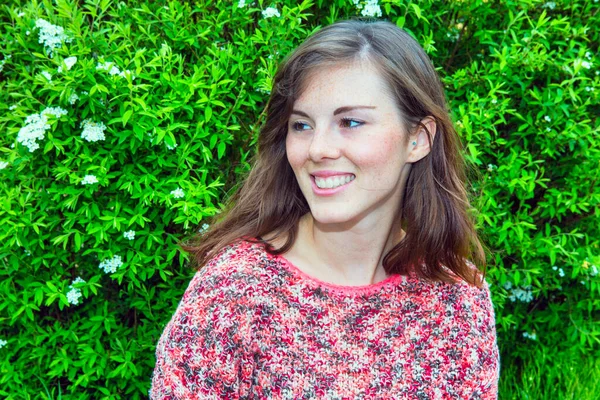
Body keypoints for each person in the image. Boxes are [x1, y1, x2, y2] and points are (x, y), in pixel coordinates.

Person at [150, 18, 500, 399]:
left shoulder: (456, 295)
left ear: (418, 138)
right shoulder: (233, 294)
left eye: (350, 122)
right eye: (301, 126)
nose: (317, 149)